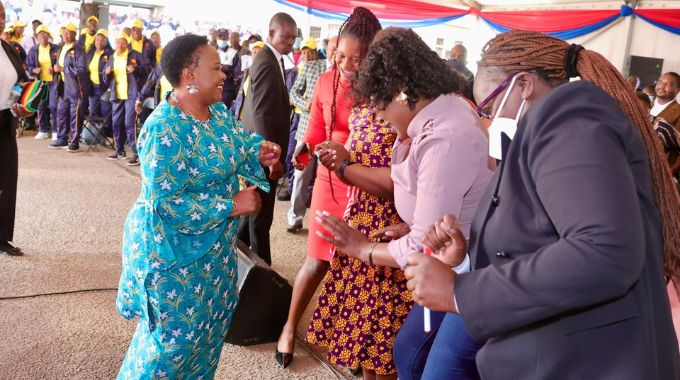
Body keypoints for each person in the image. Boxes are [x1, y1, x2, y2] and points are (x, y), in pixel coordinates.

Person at [402, 30, 680, 379]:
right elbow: (549, 237)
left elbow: (604, 250)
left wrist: (461, 293)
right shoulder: (550, 130)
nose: (485, 120)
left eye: (488, 106)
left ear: (523, 85)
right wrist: (468, 256)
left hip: (591, 362)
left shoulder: (569, 119)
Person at [313, 27, 493, 380]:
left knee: (419, 361)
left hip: (467, 270)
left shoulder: (445, 137)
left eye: (381, 107)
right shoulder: (440, 112)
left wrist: (361, 247)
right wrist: (413, 223)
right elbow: (442, 203)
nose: (380, 117)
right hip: (451, 258)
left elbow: (422, 242)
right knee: (409, 350)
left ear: (402, 93)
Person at [115, 34, 281, 379]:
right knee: (169, 350)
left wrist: (256, 151)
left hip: (214, 255)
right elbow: (167, 203)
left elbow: (235, 144)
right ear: (190, 75)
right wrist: (230, 206)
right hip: (172, 259)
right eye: (216, 68)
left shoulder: (217, 112)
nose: (224, 75)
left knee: (206, 338)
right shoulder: (163, 129)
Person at [238, 12, 297, 265]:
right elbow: (261, 111)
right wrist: (273, 157)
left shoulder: (274, 60)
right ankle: (263, 277)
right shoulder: (265, 61)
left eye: (294, 38)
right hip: (261, 153)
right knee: (260, 220)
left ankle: (235, 261)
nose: (291, 43)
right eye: (286, 37)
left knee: (252, 217)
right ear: (271, 33)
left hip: (260, 151)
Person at [285, 35, 337, 232]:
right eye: (333, 48)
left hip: (330, 137)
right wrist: (304, 105)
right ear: (327, 48)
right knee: (301, 175)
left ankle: (323, 223)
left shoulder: (345, 73)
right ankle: (294, 218)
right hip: (306, 132)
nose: (336, 52)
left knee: (326, 180)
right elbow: (293, 93)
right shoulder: (312, 66)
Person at [0, 0, 30, 256]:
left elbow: (20, 81)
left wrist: (21, 101)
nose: (1, 20)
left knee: (8, 179)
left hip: (5, 119)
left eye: (2, 15)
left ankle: (2, 238)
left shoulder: (7, 48)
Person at [279, 36, 318, 202]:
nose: (307, 55)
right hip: (296, 118)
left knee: (311, 160)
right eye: (304, 51)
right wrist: (304, 104)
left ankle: (307, 194)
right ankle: (292, 187)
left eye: (310, 51)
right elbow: (291, 95)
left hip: (312, 120)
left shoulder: (320, 69)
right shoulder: (294, 71)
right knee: (292, 155)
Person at [104, 33, 143, 166]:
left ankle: (136, 153)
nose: (120, 45)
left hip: (131, 94)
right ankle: (119, 150)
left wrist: (135, 69)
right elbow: (106, 79)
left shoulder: (134, 55)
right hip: (117, 95)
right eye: (118, 42)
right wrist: (107, 74)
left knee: (129, 123)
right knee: (116, 123)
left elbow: (146, 71)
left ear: (127, 44)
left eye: (123, 43)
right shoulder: (112, 57)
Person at [49, 23, 89, 152]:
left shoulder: (79, 50)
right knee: (61, 113)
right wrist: (55, 70)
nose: (65, 35)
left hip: (75, 88)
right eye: (63, 33)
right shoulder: (61, 48)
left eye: (68, 33)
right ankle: (61, 139)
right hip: (62, 86)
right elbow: (58, 65)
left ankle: (74, 141)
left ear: (74, 34)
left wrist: (63, 69)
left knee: (75, 115)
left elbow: (82, 70)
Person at [26, 24, 59, 140]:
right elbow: (28, 65)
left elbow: (61, 63)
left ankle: (55, 131)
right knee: (41, 106)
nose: (43, 37)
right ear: (37, 36)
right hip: (41, 82)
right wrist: (34, 70)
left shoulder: (56, 48)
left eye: (45, 34)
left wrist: (54, 68)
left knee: (54, 106)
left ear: (48, 36)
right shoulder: (34, 50)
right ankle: (43, 130)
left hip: (53, 82)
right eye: (41, 34)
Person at [85, 29, 113, 138]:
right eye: (97, 39)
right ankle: (93, 136)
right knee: (93, 112)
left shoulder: (110, 54)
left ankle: (106, 136)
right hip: (92, 87)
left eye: (102, 40)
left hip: (105, 88)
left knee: (105, 112)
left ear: (106, 41)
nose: (99, 42)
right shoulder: (91, 53)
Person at [230, 40, 264, 119]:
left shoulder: (266, 74)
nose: (256, 55)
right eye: (254, 52)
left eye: (260, 53)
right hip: (241, 116)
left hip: (254, 119)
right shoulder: (248, 71)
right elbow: (240, 94)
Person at [215, 28, 242, 109]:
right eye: (220, 37)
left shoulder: (233, 53)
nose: (222, 39)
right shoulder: (213, 51)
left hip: (227, 89)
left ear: (228, 38)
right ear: (217, 38)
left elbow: (237, 73)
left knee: (223, 113)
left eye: (225, 37)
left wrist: (227, 70)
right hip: (213, 87)